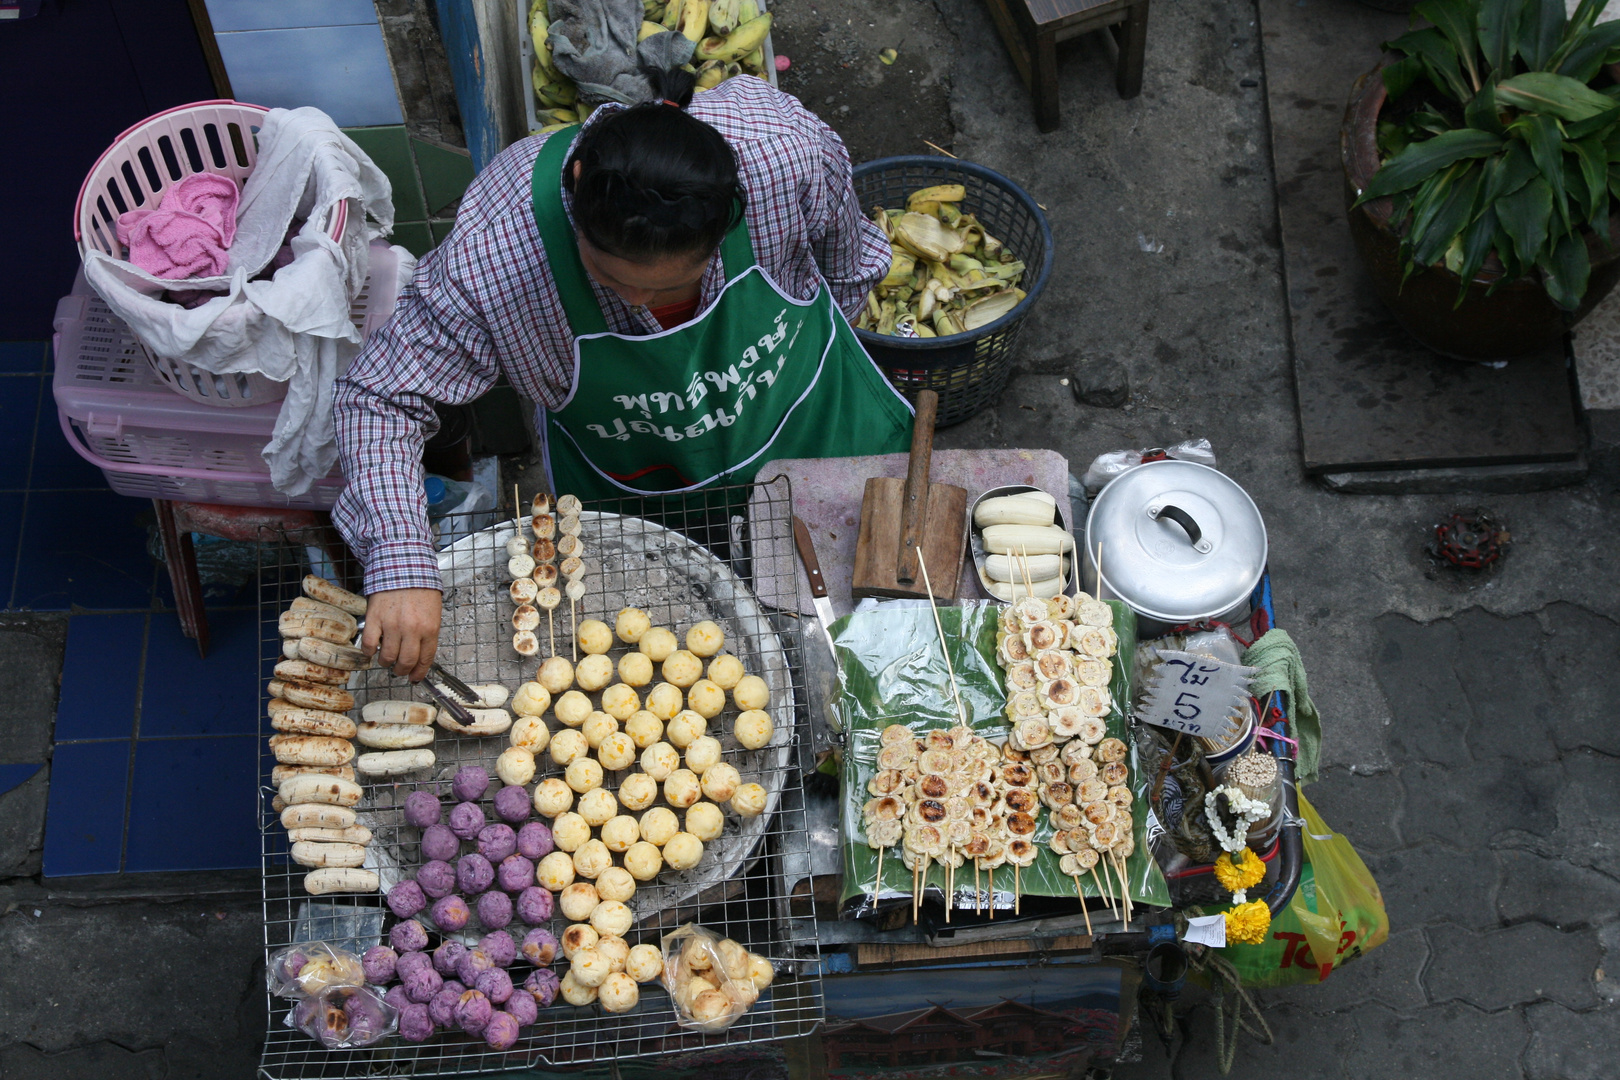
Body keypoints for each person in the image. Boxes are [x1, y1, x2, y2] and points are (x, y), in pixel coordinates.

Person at [333, 69, 915, 679]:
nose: (641, 304)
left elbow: (851, 266)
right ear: (579, 185)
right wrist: (400, 561)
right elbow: (381, 395)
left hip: (812, 432)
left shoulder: (780, 153)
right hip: (644, 481)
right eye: (612, 280)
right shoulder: (499, 249)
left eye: (671, 287)